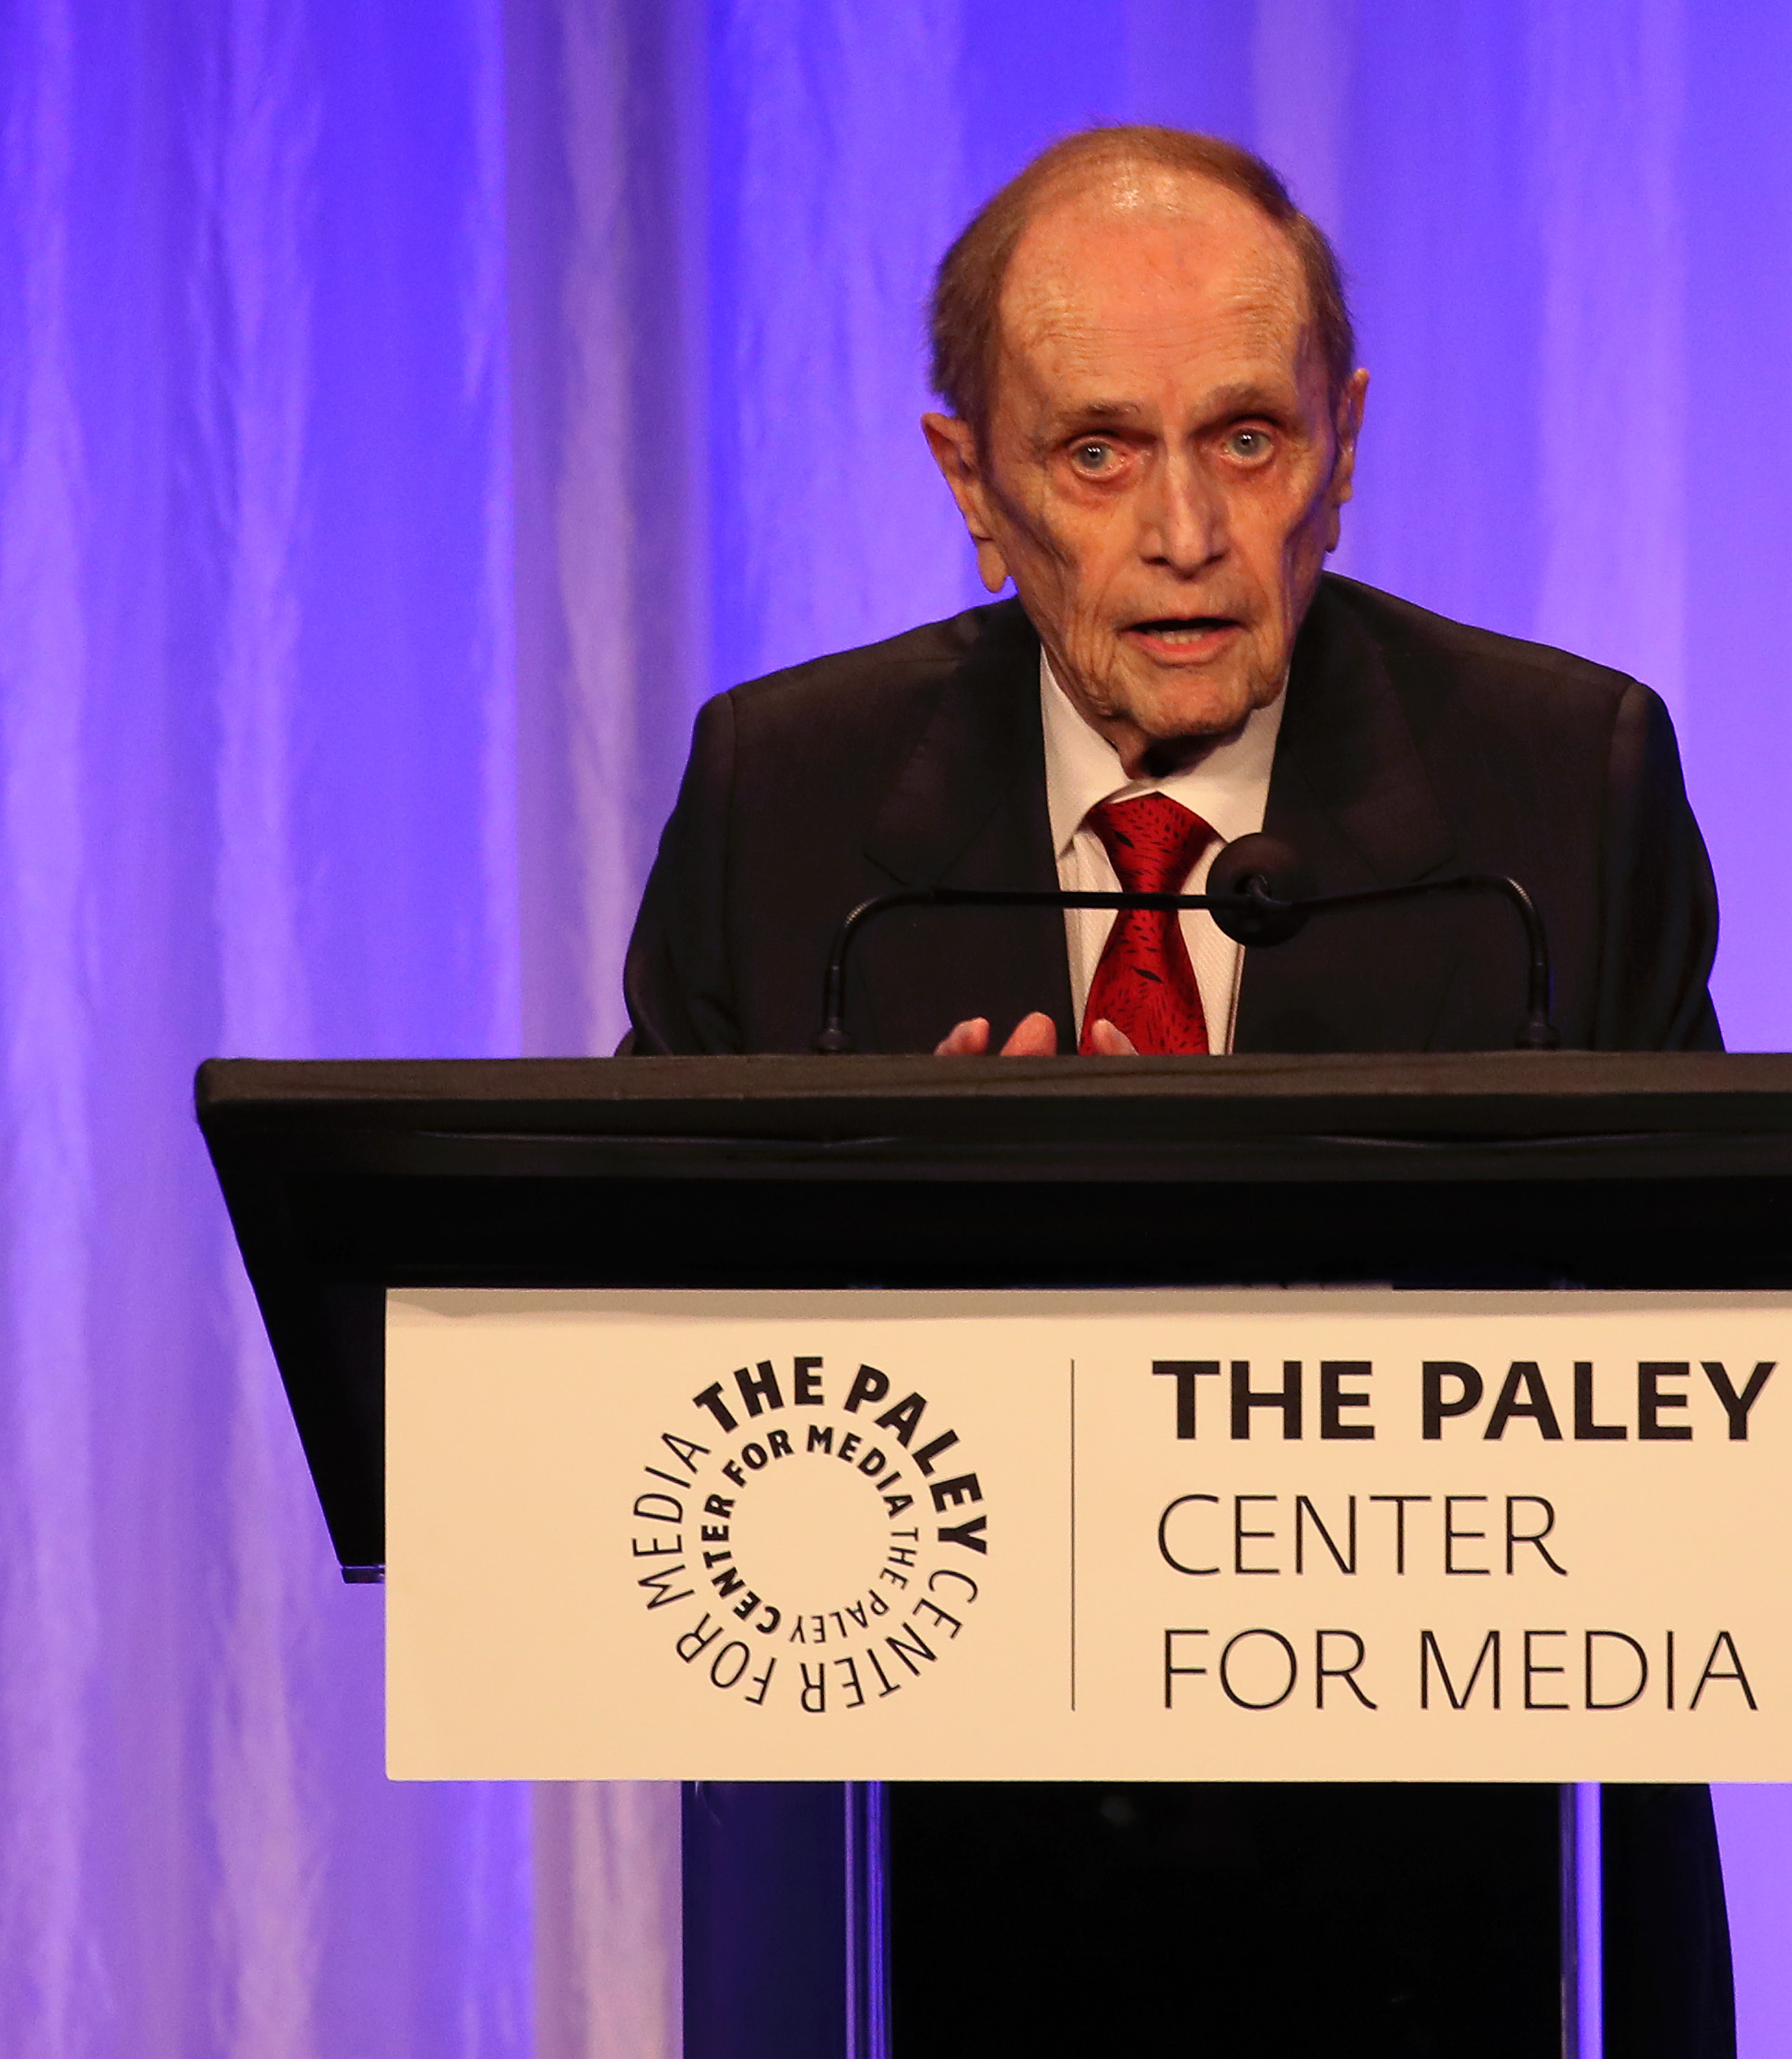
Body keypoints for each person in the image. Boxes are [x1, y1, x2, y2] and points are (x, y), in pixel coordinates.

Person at [626, 126, 1734, 2057]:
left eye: (1244, 437)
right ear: (971, 483)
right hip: (922, 1890)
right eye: (1094, 451)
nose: (1185, 532)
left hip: (1477, 1881)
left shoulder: (1561, 784)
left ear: (1345, 444)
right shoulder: (788, 799)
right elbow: (624, 1350)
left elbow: (1713, 1342)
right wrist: (907, 1240)